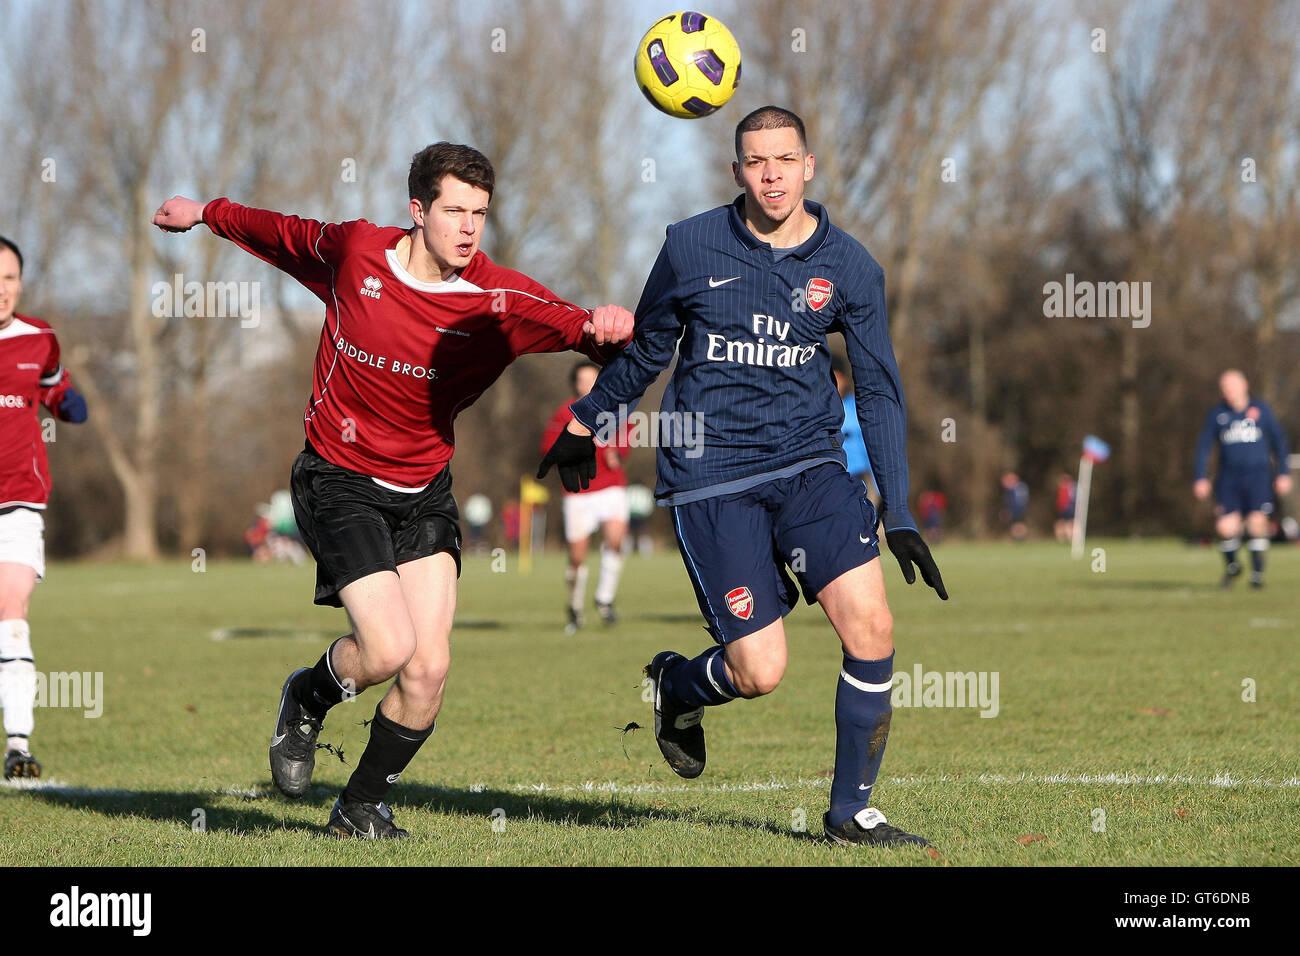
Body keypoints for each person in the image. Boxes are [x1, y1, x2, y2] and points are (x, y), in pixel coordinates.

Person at [153, 143, 632, 838]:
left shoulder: (500, 300)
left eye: (480, 214)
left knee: (428, 669)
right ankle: (308, 695)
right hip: (336, 478)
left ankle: (357, 807)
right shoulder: (356, 255)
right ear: (417, 210)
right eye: (454, 210)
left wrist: (608, 330)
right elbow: (278, 232)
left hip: (424, 490)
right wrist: (204, 213)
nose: (469, 227)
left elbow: (595, 338)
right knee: (384, 650)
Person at [539, 107, 946, 848]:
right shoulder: (690, 245)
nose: (772, 175)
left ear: (809, 165)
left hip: (812, 465)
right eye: (756, 161)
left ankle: (850, 812)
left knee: (874, 624)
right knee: (760, 670)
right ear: (736, 171)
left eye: (785, 159)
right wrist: (587, 418)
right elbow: (646, 351)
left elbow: (879, 388)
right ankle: (674, 688)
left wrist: (901, 510)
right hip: (712, 475)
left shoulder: (850, 266)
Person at [0, 235, 88, 779]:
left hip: (19, 500)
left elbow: (55, 387)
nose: (1, 289)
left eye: (9, 278)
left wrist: (68, 403)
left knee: (12, 616)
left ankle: (18, 744)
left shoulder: (39, 338)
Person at [539, 361, 630, 632]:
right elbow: (549, 447)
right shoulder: (564, 413)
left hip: (611, 487)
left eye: (594, 378)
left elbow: (627, 434)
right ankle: (575, 607)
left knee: (615, 541)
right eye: (584, 380)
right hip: (579, 491)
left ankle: (604, 598)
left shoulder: (613, 408)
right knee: (577, 558)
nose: (589, 384)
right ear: (575, 383)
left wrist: (619, 452)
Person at [1194, 369, 1291, 588]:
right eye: (1225, 387)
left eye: (1232, 386)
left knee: (1257, 523)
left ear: (1244, 385)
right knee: (1225, 528)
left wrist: (1283, 473)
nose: (1228, 391)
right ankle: (1232, 568)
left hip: (1259, 476)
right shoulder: (1217, 414)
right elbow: (1204, 447)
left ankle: (1257, 575)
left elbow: (1280, 443)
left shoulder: (1261, 410)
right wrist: (1200, 477)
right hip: (1228, 478)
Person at [831, 354, 877, 505]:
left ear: (845, 379)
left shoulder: (857, 408)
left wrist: (878, 486)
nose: (835, 382)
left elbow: (871, 446)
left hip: (859, 475)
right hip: (831, 476)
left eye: (838, 377)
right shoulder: (819, 410)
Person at [1000, 471, 1028, 540]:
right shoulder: (1011, 489)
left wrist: (1011, 510)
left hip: (1018, 509)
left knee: (1018, 524)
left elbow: (1020, 500)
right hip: (1015, 509)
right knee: (1016, 524)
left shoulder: (1018, 488)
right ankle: (1018, 538)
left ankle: (1020, 538)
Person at [1053, 473, 1076, 544]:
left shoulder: (1073, 488)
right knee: (1061, 525)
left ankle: (1071, 540)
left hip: (1069, 510)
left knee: (1070, 525)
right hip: (1062, 510)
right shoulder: (1061, 489)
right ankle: (1063, 540)